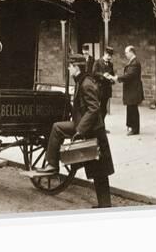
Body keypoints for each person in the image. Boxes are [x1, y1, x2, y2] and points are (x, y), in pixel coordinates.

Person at [38, 54, 114, 208]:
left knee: (57, 127)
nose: (68, 68)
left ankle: (52, 164)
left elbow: (94, 109)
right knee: (99, 170)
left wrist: (79, 130)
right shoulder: (82, 81)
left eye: (70, 65)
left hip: (92, 130)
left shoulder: (86, 83)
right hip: (92, 128)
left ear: (77, 67)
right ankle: (105, 205)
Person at [105, 45, 144, 136]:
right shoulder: (133, 62)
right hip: (131, 89)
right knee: (130, 107)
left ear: (131, 52)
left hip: (133, 89)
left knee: (132, 108)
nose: (125, 54)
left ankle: (134, 129)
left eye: (126, 52)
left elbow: (129, 75)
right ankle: (131, 126)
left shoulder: (135, 63)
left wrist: (117, 78)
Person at [92, 46, 115, 128]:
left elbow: (112, 74)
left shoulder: (110, 64)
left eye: (111, 56)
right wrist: (103, 75)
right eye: (109, 55)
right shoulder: (97, 62)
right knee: (96, 108)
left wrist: (112, 79)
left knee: (104, 109)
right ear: (105, 54)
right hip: (99, 88)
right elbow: (94, 73)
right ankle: (94, 126)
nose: (110, 58)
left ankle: (101, 126)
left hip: (106, 89)